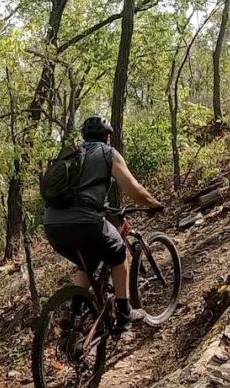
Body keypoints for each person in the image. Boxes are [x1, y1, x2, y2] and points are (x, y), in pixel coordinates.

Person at [43, 116, 164, 330]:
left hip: (52, 225)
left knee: (86, 263)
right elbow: (134, 190)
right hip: (85, 222)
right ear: (108, 137)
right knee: (118, 253)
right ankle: (125, 313)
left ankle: (73, 318)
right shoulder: (108, 153)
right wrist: (153, 203)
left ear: (84, 137)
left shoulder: (73, 155)